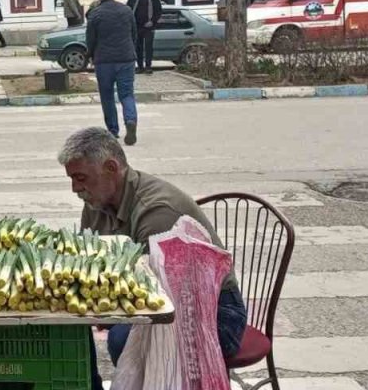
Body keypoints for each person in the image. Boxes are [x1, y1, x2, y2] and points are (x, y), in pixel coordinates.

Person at [57, 128, 247, 390]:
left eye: (80, 178)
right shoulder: (95, 205)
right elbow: (88, 264)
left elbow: (153, 301)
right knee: (67, 326)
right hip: (160, 304)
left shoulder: (157, 212)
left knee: (121, 338)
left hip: (214, 314)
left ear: (111, 167)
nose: (75, 188)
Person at [86, 0, 140, 145]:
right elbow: (134, 33)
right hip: (126, 58)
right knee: (127, 94)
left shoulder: (96, 14)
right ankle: (130, 121)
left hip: (104, 61)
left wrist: (90, 55)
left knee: (107, 96)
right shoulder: (126, 10)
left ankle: (112, 130)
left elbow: (90, 39)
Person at [126, 0, 164, 75]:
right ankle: (139, 67)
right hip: (136, 26)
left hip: (149, 27)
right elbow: (127, 10)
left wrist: (152, 21)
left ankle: (148, 66)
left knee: (148, 47)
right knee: (137, 47)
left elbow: (158, 12)